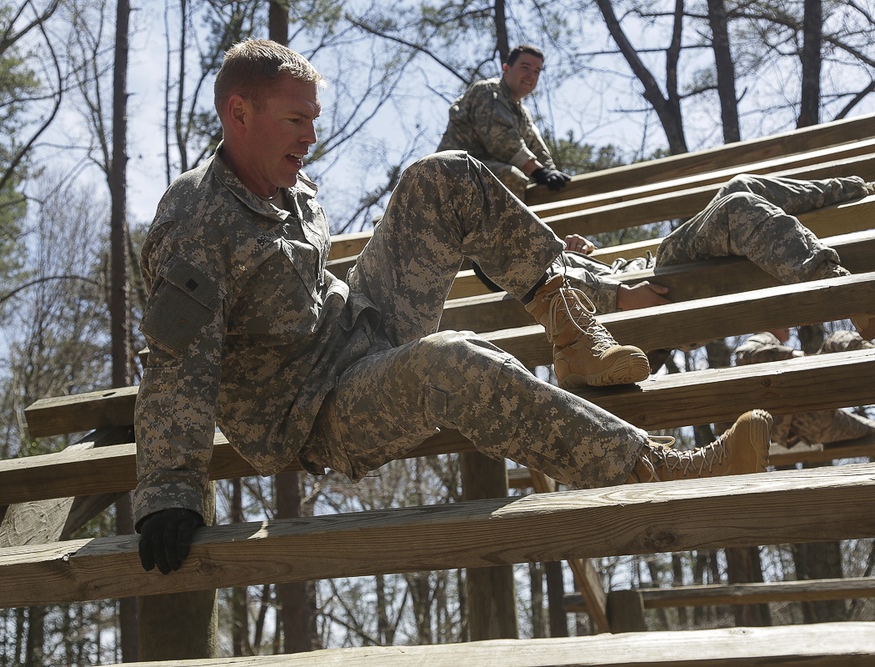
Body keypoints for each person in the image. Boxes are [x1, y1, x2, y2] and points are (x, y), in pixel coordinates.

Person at [132, 39, 771, 576]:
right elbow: (175, 360)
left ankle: (572, 326)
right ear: (238, 113)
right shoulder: (194, 218)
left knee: (444, 175)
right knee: (451, 360)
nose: (313, 135)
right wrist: (169, 489)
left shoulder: (291, 186)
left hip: (356, 327)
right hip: (312, 409)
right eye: (296, 120)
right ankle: (659, 469)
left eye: (316, 118)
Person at [484, 174, 875, 340]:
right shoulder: (517, 273)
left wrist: (584, 255)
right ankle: (845, 292)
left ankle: (858, 188)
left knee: (739, 186)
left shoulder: (545, 255)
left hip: (644, 271)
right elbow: (544, 301)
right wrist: (616, 297)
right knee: (737, 207)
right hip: (648, 290)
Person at [437, 44, 572, 200]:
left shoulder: (522, 114)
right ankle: (505, 225)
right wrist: (539, 172)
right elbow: (501, 140)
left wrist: (551, 172)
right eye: (525, 67)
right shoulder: (487, 92)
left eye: (537, 71)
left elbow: (537, 150)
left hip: (476, 176)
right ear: (506, 68)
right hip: (449, 174)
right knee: (511, 176)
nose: (531, 76)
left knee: (546, 187)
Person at [732, 328, 875, 449]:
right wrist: (789, 354)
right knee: (838, 339)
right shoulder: (764, 337)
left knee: (872, 431)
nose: (789, 327)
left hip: (814, 425)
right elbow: (743, 355)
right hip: (803, 410)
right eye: (783, 322)